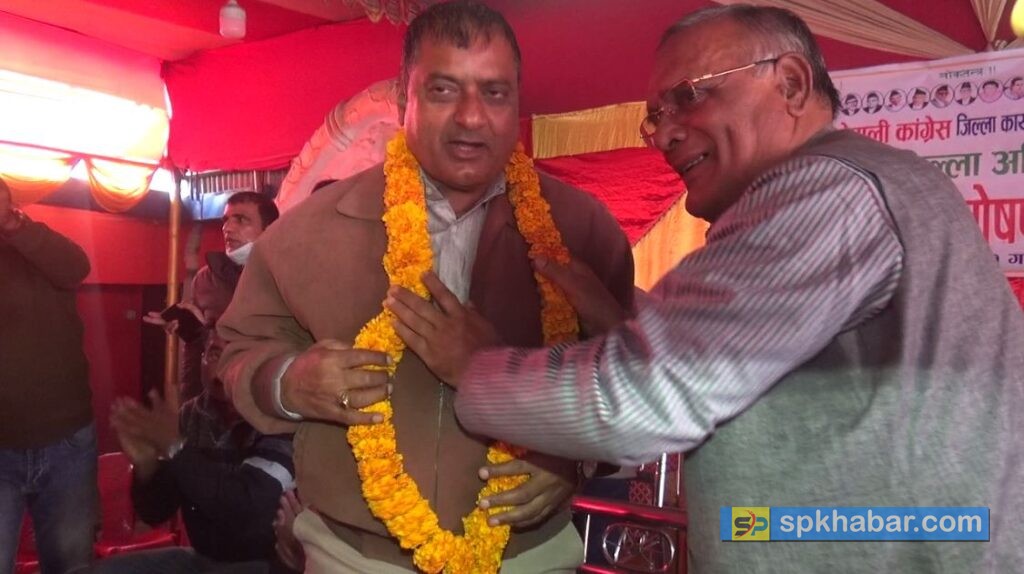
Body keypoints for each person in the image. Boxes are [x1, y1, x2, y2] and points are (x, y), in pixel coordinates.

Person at [388, 4, 1024, 572]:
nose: (665, 133)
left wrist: (475, 365)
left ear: (791, 84)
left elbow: (649, 398)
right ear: (404, 101)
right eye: (656, 116)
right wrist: (618, 320)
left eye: (689, 98)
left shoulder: (832, 192)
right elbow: (754, 370)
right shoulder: (869, 181)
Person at [216, 1, 635, 573]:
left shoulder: (582, 231)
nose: (471, 117)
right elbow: (238, 354)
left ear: (517, 101)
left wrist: (573, 457)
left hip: (530, 555)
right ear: (402, 99)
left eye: (494, 93)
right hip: (353, 558)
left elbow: (631, 377)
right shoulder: (305, 233)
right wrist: (288, 383)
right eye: (443, 90)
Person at [94, 331, 297, 574]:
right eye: (214, 354)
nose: (222, 368)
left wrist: (175, 447)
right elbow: (156, 512)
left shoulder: (278, 422)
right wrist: (146, 465)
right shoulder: (190, 415)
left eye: (236, 355)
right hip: (203, 559)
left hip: (264, 564)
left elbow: (244, 509)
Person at [0, 177, 97, 573]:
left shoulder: (32, 241)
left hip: (66, 442)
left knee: (71, 565)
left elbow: (77, 267)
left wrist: (13, 225)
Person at [144, 191, 279, 402]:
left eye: (241, 220)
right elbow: (198, 349)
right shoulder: (206, 278)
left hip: (264, 396)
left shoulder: (286, 276)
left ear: (270, 228)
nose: (227, 228)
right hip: (214, 398)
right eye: (225, 220)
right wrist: (191, 328)